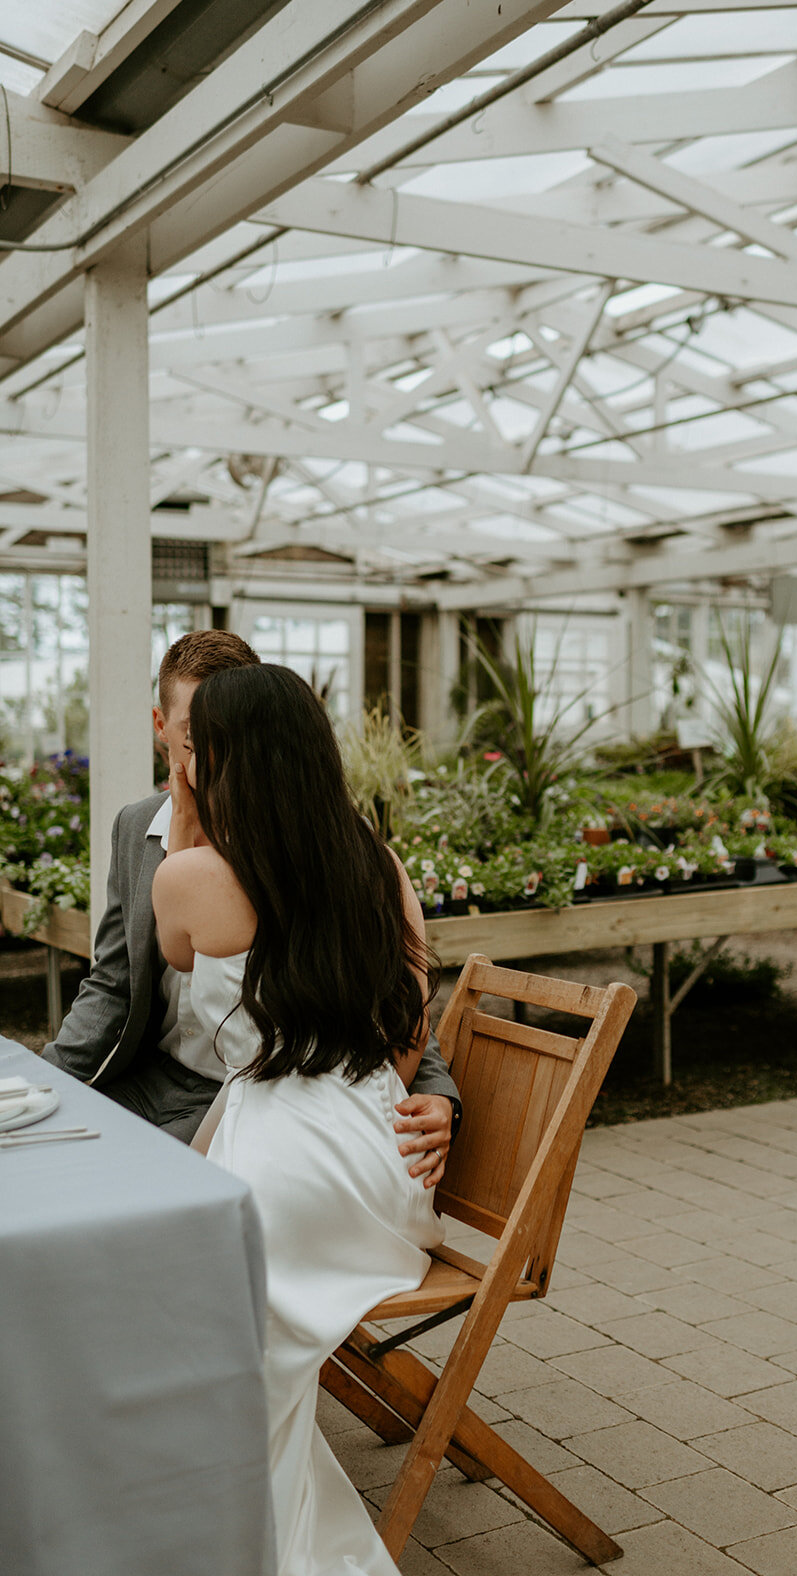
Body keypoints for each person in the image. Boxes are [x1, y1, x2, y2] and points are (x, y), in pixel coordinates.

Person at [152, 663, 445, 1576]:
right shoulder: (378, 864)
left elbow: (172, 953)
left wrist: (190, 816)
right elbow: (410, 1029)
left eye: (197, 746)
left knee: (196, 1317)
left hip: (275, 1163)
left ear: (218, 760)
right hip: (383, 1166)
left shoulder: (188, 878)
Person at [43, 630, 458, 1182]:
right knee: (44, 1152)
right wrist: (44, 1085)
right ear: (161, 728)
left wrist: (437, 1092)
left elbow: (385, 992)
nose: (214, 755)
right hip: (153, 1075)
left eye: (231, 735)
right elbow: (113, 983)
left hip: (264, 1103)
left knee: (106, 1183)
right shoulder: (137, 826)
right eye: (196, 735)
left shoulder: (340, 843)